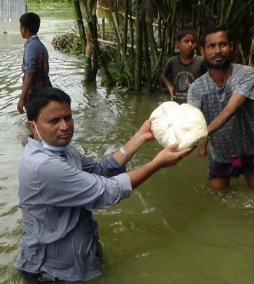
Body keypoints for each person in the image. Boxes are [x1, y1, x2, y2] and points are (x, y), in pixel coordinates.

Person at [16, 87, 192, 282]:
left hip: (80, 256)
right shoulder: (44, 166)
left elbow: (99, 171)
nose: (65, 126)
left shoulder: (62, 149)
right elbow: (106, 192)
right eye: (54, 121)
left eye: (68, 117)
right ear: (32, 126)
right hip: (53, 272)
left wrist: (139, 138)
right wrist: (157, 163)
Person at [187, 25, 254, 191]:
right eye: (211, 46)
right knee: (218, 197)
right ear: (202, 51)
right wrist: (185, 145)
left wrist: (200, 136)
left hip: (249, 148)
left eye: (222, 44)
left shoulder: (248, 74)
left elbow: (230, 110)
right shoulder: (196, 88)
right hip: (220, 153)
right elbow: (191, 122)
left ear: (231, 47)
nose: (217, 50)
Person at [17, 12, 52, 114]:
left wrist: (22, 99)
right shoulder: (39, 45)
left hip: (37, 93)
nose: (20, 30)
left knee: (36, 124)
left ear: (25, 28)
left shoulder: (31, 46)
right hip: (46, 89)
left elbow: (29, 73)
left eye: (20, 27)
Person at [162, 27, 207, 104]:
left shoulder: (201, 61)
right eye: (186, 41)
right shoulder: (172, 61)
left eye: (193, 41)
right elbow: (164, 75)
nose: (190, 45)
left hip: (195, 104)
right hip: (177, 103)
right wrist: (170, 86)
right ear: (178, 43)